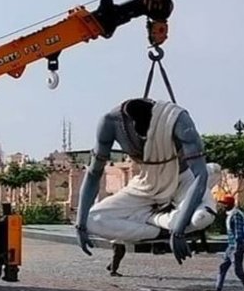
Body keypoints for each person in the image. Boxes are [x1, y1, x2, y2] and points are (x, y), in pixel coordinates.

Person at [76, 97, 219, 265]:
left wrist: (179, 231)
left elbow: (200, 175)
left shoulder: (176, 119)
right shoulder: (110, 122)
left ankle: (167, 221)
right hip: (146, 184)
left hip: (182, 179)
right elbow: (94, 173)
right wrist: (80, 225)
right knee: (91, 221)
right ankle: (160, 229)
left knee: (201, 218)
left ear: (156, 118)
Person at [204, 195, 244, 291]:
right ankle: (218, 290)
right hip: (230, 246)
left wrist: (237, 247)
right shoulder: (231, 214)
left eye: (224, 204)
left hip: (236, 246)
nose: (223, 206)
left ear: (229, 205)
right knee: (223, 268)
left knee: (238, 271)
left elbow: (238, 232)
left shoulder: (236, 215)